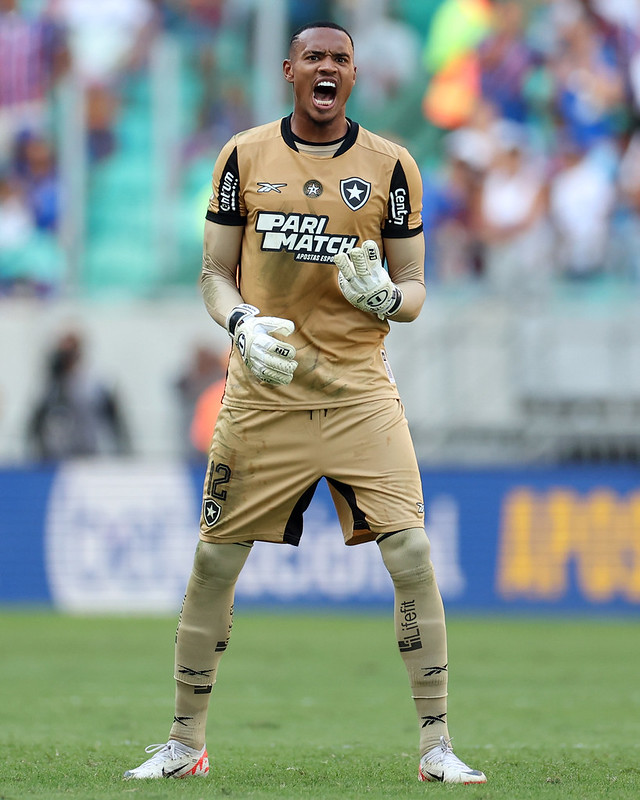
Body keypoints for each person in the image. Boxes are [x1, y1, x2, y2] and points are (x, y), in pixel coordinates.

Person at [123, 21, 486, 785]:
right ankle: (186, 742)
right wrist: (241, 321)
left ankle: (436, 745)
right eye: (314, 57)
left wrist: (391, 295)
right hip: (264, 396)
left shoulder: (392, 166)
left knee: (412, 552)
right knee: (214, 560)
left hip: (359, 395)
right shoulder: (243, 156)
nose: (327, 67)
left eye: (341, 59)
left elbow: (416, 287)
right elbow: (213, 273)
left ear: (354, 75)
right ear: (291, 70)